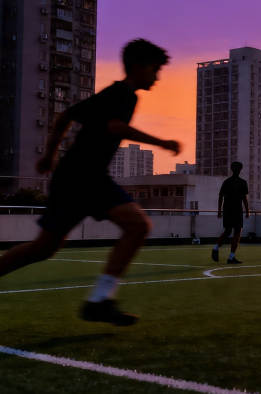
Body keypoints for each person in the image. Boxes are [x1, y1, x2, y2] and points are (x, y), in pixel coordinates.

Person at [0, 39, 179, 326]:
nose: (157, 77)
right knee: (138, 226)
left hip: (76, 177)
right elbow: (114, 127)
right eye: (155, 69)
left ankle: (100, 301)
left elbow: (65, 117)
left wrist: (49, 155)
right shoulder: (123, 94)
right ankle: (99, 301)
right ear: (139, 67)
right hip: (83, 178)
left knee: (43, 249)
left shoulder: (110, 94)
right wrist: (162, 141)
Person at [212, 161, 249, 264]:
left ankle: (215, 248)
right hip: (237, 210)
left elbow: (220, 196)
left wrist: (219, 211)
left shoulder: (227, 182)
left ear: (231, 169)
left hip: (227, 209)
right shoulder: (242, 182)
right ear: (240, 170)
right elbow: (244, 199)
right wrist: (247, 211)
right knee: (237, 233)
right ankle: (231, 257)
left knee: (227, 231)